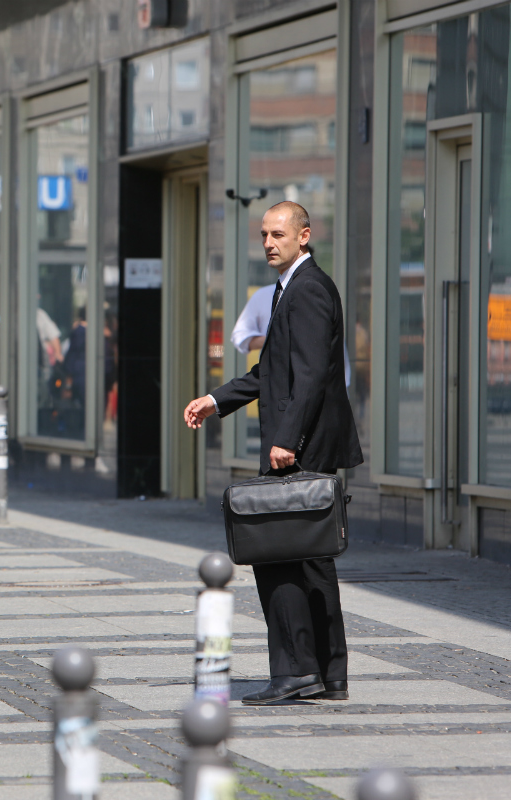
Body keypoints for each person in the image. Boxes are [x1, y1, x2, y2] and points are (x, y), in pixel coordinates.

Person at [184, 201, 362, 706]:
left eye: (278, 234)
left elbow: (306, 376)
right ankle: (329, 675)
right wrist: (217, 400)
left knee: (279, 555)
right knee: (311, 560)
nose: (268, 242)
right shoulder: (294, 288)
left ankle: (295, 672)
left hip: (302, 444)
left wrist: (286, 438)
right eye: (263, 234)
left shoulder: (306, 291)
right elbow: (271, 372)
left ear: (304, 236)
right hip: (308, 439)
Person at [232, 282, 351, 387]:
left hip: (319, 387)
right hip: (274, 386)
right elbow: (240, 336)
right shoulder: (264, 295)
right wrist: (275, 339)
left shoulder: (320, 294)